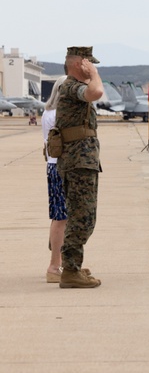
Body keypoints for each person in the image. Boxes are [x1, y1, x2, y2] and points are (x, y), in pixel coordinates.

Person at [56, 46, 104, 288]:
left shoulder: (73, 87)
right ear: (79, 65)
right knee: (82, 217)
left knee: (83, 215)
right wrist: (94, 74)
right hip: (78, 161)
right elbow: (96, 92)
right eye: (88, 64)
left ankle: (72, 266)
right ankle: (70, 271)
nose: (91, 68)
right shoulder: (72, 86)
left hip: (81, 161)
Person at [42, 75, 68, 283]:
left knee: (59, 216)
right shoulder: (58, 114)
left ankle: (59, 263)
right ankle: (54, 265)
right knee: (61, 217)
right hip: (59, 166)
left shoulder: (48, 112)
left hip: (52, 165)